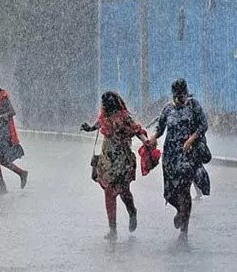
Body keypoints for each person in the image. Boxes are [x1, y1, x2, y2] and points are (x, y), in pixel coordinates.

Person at [81, 91, 149, 240]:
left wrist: (145, 141)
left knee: (124, 191)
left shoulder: (124, 117)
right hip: (108, 160)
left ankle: (132, 211)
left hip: (122, 160)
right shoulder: (104, 116)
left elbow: (137, 130)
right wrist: (89, 128)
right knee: (109, 192)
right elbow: (97, 125)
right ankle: (113, 229)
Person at [149, 78, 209, 241]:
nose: (180, 98)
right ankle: (180, 211)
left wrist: (191, 139)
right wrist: (154, 137)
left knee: (184, 189)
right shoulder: (168, 108)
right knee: (170, 193)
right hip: (170, 156)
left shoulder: (194, 106)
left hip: (188, 155)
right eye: (177, 95)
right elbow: (160, 128)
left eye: (182, 95)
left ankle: (184, 228)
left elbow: (203, 125)